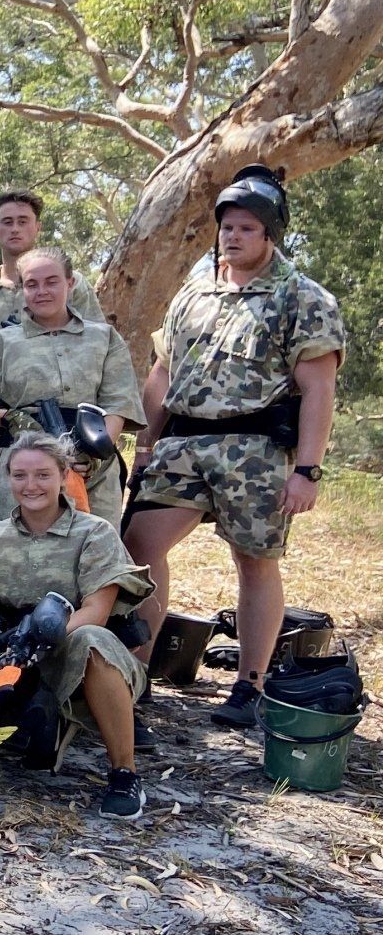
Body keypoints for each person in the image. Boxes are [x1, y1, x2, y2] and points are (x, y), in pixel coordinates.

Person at [123, 166, 344, 728]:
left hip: (256, 448)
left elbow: (319, 388)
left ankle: (250, 684)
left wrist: (308, 470)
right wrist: (145, 445)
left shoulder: (302, 297)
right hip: (183, 441)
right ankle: (133, 674)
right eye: (227, 227)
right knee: (139, 547)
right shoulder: (194, 293)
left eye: (247, 228)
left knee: (255, 562)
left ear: (270, 234)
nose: (233, 237)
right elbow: (162, 373)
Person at [0, 433, 152, 819]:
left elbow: (96, 610)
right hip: (11, 654)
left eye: (42, 475)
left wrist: (39, 643)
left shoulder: (94, 533)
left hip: (72, 650)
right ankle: (26, 729)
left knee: (93, 639)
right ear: (8, 478)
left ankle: (124, 773)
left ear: (63, 475)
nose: (31, 485)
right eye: (20, 475)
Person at [0, 247, 143, 526]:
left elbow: (118, 405)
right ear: (22, 289)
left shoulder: (104, 338)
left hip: (91, 470)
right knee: (19, 547)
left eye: (52, 282)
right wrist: (10, 418)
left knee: (95, 547)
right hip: (22, 466)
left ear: (70, 283)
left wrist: (94, 453)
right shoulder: (2, 342)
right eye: (32, 284)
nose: (42, 292)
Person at [0, 190, 107, 513]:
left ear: (38, 228)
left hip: (61, 426)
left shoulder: (74, 287)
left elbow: (92, 345)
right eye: (7, 222)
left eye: (23, 221)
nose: (15, 228)